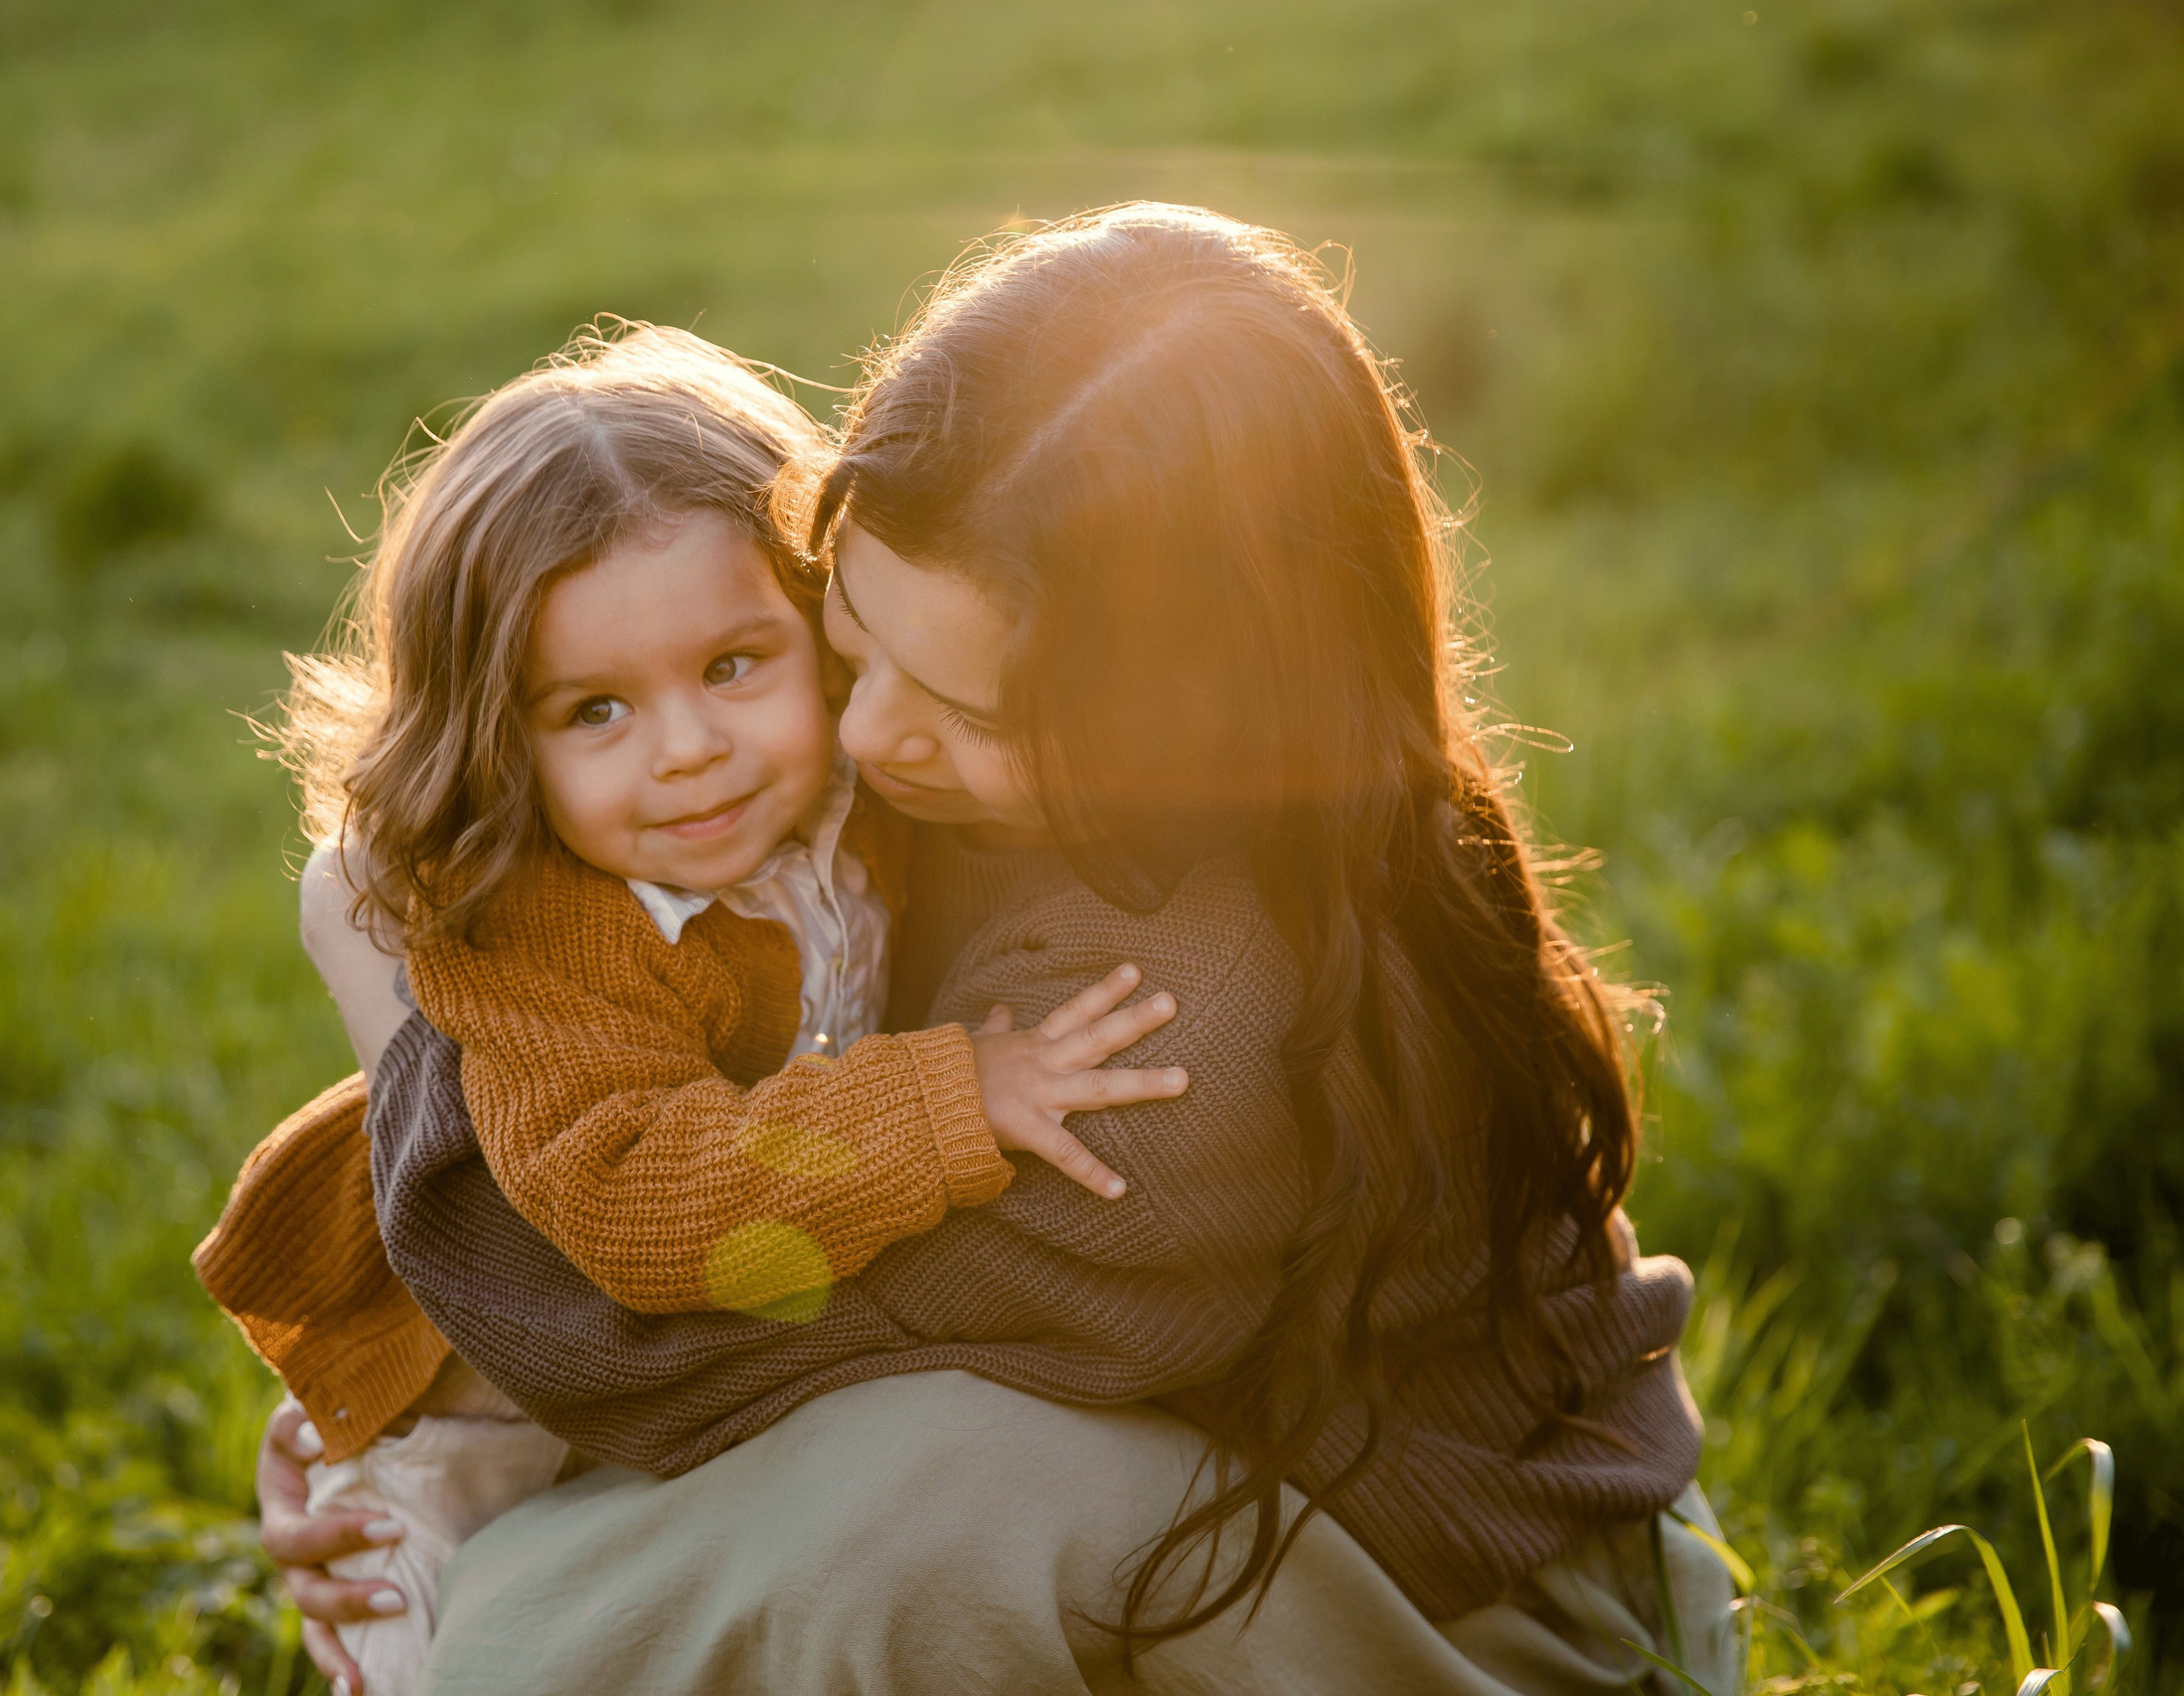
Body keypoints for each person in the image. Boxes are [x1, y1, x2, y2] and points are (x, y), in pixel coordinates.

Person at [266, 206, 1742, 1692]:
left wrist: (446, 1345)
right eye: (849, 634)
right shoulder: (903, 778)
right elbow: (648, 1105)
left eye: (964, 710)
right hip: (1208, 1497)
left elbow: (630, 1329)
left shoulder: (1168, 1023)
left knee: (846, 1529)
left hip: (1490, 1622)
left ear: (1188, 715)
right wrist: (397, 1402)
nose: (863, 734)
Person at [192, 323, 1191, 1696]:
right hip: (471, 1415)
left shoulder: (848, 794)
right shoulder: (551, 922)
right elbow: (633, 1198)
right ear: (498, 739)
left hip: (691, 1380)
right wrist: (951, 1098)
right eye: (595, 710)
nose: (689, 751)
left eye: (732, 666)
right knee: (443, 1656)